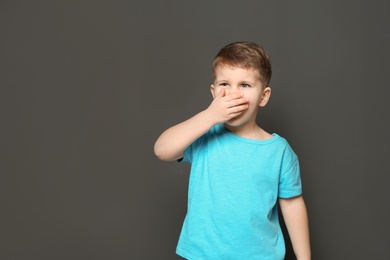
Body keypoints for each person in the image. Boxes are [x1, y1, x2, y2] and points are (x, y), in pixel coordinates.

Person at [154, 41, 311, 260]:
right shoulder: (203, 135)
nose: (233, 94)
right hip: (204, 254)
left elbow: (292, 203)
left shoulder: (279, 151)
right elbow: (162, 150)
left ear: (263, 96)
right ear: (213, 92)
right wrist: (209, 117)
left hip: (260, 255)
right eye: (225, 84)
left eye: (244, 85)